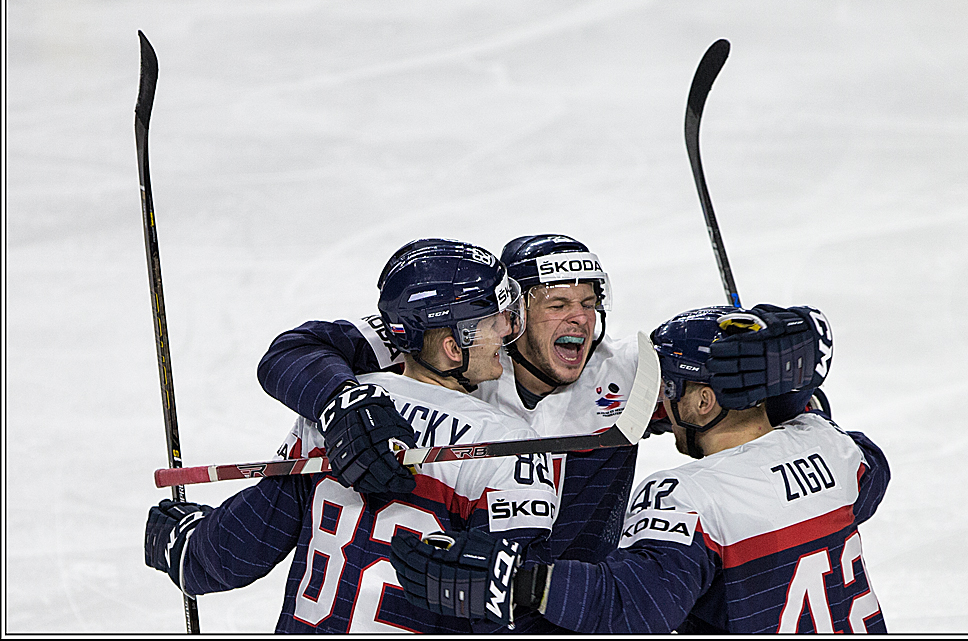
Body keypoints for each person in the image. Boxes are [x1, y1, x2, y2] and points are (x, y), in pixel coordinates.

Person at [256, 234, 834, 632]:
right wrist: (342, 401)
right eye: (556, 303)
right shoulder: (461, 346)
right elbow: (296, 350)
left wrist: (779, 389)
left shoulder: (631, 373)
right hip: (456, 607)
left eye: (589, 302)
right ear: (513, 312)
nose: (579, 319)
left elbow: (737, 391)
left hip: (577, 609)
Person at [389, 305, 890, 634]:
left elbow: (635, 607)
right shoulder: (835, 449)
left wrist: (523, 582)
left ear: (702, 401)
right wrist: (794, 407)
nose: (659, 402)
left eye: (669, 387)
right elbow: (874, 473)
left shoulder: (687, 497)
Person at [144, 239, 559, 633]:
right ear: (454, 347)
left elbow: (232, 554)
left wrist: (185, 545)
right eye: (495, 320)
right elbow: (519, 612)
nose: (507, 330)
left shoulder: (336, 415)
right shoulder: (507, 446)